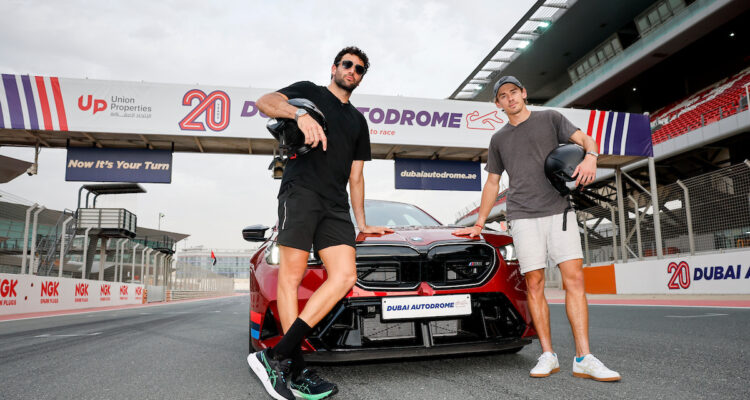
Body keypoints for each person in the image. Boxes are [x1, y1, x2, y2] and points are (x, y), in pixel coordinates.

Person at [453, 76, 621, 382]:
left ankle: (584, 357)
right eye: (503, 96)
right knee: (534, 284)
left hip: (558, 209)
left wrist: (591, 158)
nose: (510, 98)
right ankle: (548, 354)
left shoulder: (550, 118)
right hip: (522, 215)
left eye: (514, 92)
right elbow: (492, 182)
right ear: (498, 104)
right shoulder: (499, 139)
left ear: (523, 93)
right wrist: (479, 223)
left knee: (574, 280)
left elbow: (585, 139)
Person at [249, 46, 394, 400]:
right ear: (334, 67)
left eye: (359, 69)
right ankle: (295, 367)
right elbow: (264, 102)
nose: (352, 71)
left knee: (344, 276)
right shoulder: (309, 92)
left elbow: (356, 176)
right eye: (348, 65)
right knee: (292, 278)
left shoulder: (358, 121)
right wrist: (299, 114)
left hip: (335, 204)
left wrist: (363, 222)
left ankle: (277, 355)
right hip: (300, 192)